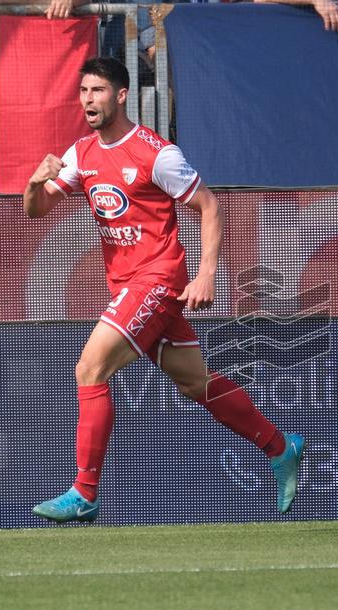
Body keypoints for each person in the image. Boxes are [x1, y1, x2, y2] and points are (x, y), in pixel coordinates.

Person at [24, 57, 304, 523]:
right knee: (197, 382)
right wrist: (35, 182)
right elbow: (36, 211)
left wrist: (207, 273)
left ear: (120, 95)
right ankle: (280, 447)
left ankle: (84, 492)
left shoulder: (156, 154)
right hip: (127, 284)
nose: (87, 100)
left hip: (158, 278)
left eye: (97, 91)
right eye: (83, 91)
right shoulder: (80, 154)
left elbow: (209, 205)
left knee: (90, 369)